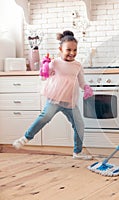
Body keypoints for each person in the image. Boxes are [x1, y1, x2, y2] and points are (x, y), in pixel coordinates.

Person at [13, 30, 94, 160]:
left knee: (79, 125)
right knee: (44, 117)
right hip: (55, 99)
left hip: (70, 102)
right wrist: (45, 66)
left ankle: (77, 152)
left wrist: (86, 88)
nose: (72, 53)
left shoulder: (78, 65)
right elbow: (43, 76)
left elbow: (81, 82)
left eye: (75, 50)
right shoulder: (55, 63)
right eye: (68, 50)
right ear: (60, 49)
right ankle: (26, 138)